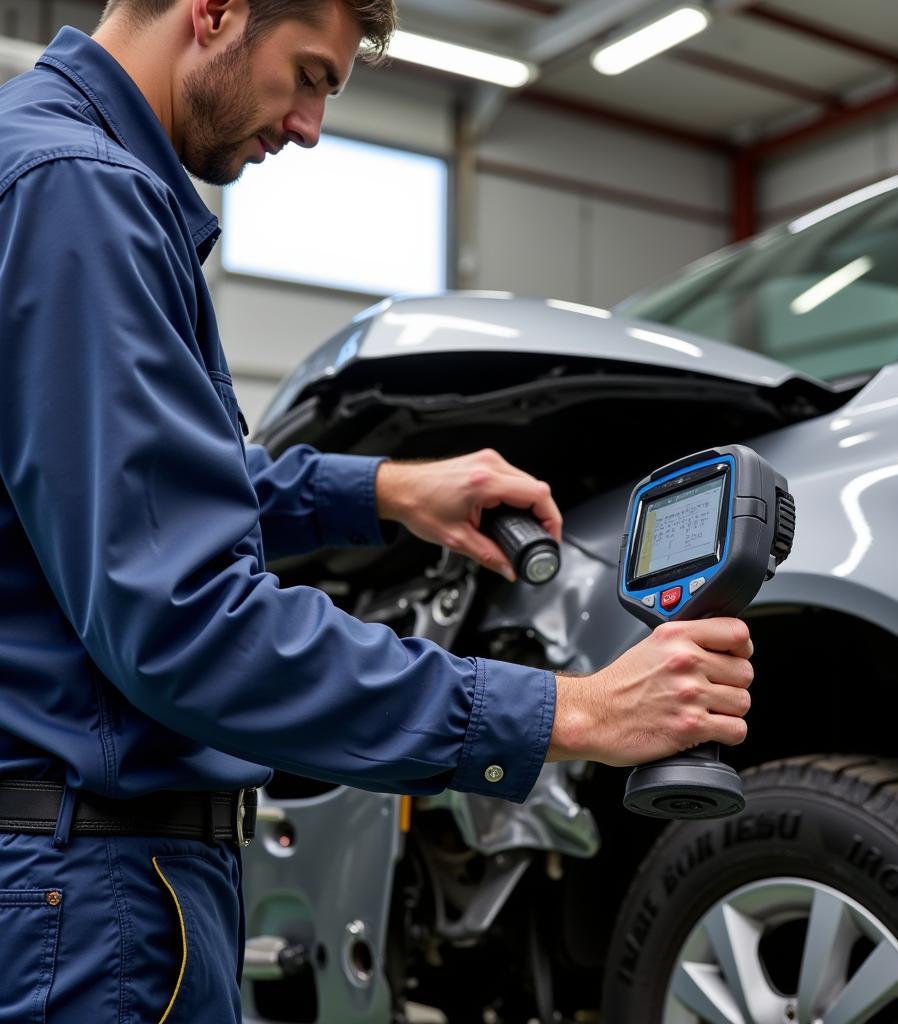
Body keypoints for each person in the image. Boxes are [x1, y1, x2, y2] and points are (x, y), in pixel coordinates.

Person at [0, 0, 755, 1020]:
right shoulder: (81, 196)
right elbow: (185, 620)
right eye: (310, 75)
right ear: (213, 11)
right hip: (92, 904)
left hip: (70, 877)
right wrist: (568, 712)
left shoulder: (43, 166)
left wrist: (383, 492)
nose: (310, 125)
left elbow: (124, 500)